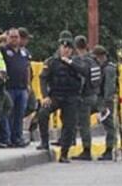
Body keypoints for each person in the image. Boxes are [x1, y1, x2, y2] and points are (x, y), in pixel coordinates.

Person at [37, 33, 88, 163]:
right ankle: (44, 142)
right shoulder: (52, 62)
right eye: (64, 47)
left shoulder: (77, 61)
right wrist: (45, 96)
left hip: (71, 97)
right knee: (43, 113)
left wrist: (70, 63)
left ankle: (64, 153)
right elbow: (43, 78)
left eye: (69, 48)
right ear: (60, 48)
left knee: (69, 125)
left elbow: (84, 72)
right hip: (56, 96)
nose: (66, 50)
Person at [71, 35, 102, 161]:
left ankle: (86, 150)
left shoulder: (82, 61)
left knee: (84, 125)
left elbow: (82, 74)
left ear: (76, 47)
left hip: (85, 96)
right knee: (81, 122)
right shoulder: (93, 60)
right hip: (94, 95)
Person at [1, 28, 31, 147]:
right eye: (12, 37)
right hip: (9, 87)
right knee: (8, 114)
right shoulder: (3, 50)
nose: (14, 39)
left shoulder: (24, 52)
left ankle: (17, 138)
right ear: (7, 38)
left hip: (22, 88)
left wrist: (28, 84)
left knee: (20, 114)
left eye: (16, 37)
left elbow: (27, 68)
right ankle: (7, 138)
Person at [93, 45, 117, 161]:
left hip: (104, 100)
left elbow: (109, 87)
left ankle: (109, 150)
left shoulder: (109, 68)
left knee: (109, 125)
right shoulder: (101, 67)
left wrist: (107, 103)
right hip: (97, 98)